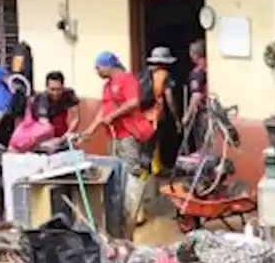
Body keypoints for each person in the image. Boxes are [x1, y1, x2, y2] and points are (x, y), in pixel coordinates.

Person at [81, 52, 154, 226]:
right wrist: (91, 129)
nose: (97, 71)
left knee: (131, 171)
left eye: (98, 67)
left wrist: (113, 116)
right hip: (113, 135)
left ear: (108, 66)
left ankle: (136, 212)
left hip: (128, 134)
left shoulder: (126, 80)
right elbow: (103, 110)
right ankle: (124, 210)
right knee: (117, 172)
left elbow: (133, 102)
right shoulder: (107, 86)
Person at [143, 46, 181, 175]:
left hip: (142, 114)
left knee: (147, 144)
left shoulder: (144, 73)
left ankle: (153, 168)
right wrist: (176, 117)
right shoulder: (165, 75)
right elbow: (169, 97)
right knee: (155, 142)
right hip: (155, 114)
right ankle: (152, 171)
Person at [184, 40, 208, 151]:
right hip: (211, 113)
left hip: (202, 112)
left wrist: (187, 115)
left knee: (202, 144)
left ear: (195, 54)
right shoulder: (209, 66)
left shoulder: (197, 72)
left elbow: (196, 95)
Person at [40, 70, 80, 138]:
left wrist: (68, 134)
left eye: (59, 89)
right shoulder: (41, 98)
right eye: (52, 89)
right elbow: (42, 123)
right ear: (46, 88)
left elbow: (76, 118)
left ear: (63, 86)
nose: (55, 93)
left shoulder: (69, 94)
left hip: (63, 134)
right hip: (45, 135)